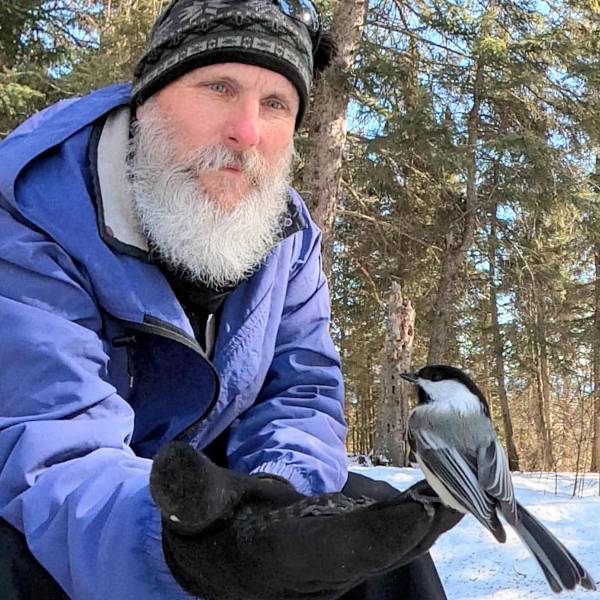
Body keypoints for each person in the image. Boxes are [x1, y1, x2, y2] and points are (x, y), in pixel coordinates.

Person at [0, 1, 461, 599]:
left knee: (374, 543)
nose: (246, 133)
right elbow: (47, 444)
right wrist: (194, 551)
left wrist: (274, 508)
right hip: (62, 496)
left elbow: (301, 393)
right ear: (148, 99)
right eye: (219, 87)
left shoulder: (287, 238)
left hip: (205, 484)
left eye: (276, 105)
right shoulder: (32, 209)